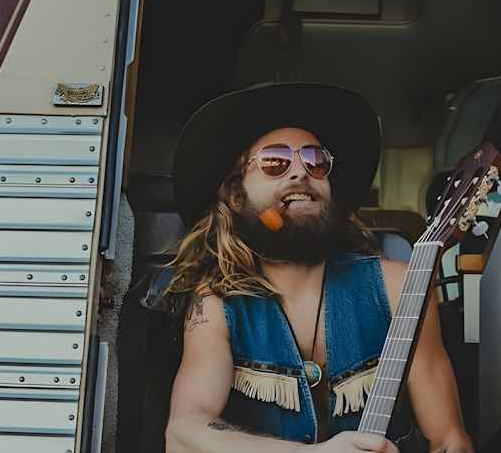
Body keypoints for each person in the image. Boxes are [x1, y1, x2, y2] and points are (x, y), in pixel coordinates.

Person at [163, 83, 474, 453]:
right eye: (275, 162)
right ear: (235, 195)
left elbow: (449, 439)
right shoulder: (216, 303)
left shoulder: (399, 286)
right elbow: (183, 432)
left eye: (316, 161)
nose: (300, 172)